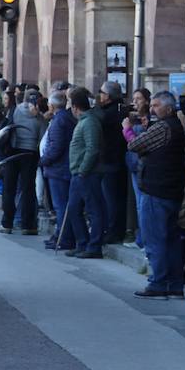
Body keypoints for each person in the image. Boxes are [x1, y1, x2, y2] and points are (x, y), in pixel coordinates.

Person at [128, 92, 185, 298]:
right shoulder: (174, 126)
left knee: (155, 238)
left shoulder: (163, 127)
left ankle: (159, 281)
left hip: (157, 189)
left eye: (156, 105)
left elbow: (134, 145)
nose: (152, 109)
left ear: (169, 108)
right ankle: (174, 282)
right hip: (169, 189)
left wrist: (128, 130)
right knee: (169, 238)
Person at [60, 88, 105, 259]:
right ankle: (82, 243)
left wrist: (83, 170)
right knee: (74, 208)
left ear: (75, 106)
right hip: (78, 172)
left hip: (87, 173)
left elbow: (92, 149)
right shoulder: (84, 121)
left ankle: (94, 246)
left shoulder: (90, 122)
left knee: (93, 209)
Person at [0, 90, 43, 235]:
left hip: (12, 151)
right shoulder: (39, 117)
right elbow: (43, 138)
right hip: (30, 153)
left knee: (9, 188)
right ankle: (27, 225)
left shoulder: (14, 111)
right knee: (28, 189)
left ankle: (7, 223)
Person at [96, 81, 129, 246]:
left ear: (107, 96)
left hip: (110, 160)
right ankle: (115, 230)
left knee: (111, 199)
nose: (99, 95)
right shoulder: (121, 110)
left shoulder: (106, 114)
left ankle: (114, 231)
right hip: (117, 159)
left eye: (100, 92)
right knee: (115, 198)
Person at [41, 91, 75, 250]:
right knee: (61, 205)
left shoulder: (59, 120)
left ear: (52, 105)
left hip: (58, 169)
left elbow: (56, 147)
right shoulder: (64, 118)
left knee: (60, 205)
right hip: (61, 168)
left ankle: (64, 237)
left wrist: (43, 161)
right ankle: (61, 235)